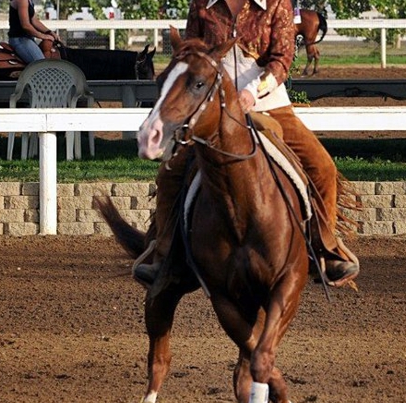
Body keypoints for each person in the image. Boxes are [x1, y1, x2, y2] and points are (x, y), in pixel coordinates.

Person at [135, 0, 359, 287]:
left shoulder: (278, 3)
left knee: (323, 168)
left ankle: (324, 250)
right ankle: (163, 255)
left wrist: (252, 92)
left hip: (269, 104)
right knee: (170, 173)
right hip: (213, 107)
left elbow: (282, 59)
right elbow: (191, 53)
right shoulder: (202, 4)